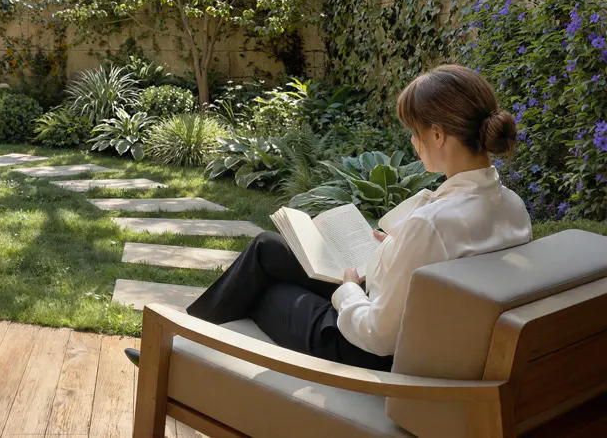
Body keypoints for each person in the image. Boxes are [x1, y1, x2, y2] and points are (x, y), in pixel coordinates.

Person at [130, 64, 532, 370]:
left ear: (439, 134)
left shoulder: (433, 226)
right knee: (267, 249)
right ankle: (174, 341)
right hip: (400, 309)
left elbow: (378, 335)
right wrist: (394, 248)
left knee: (260, 290)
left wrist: (348, 290)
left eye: (414, 131)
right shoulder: (510, 204)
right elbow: (440, 267)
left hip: (362, 348)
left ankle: (172, 361)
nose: (412, 142)